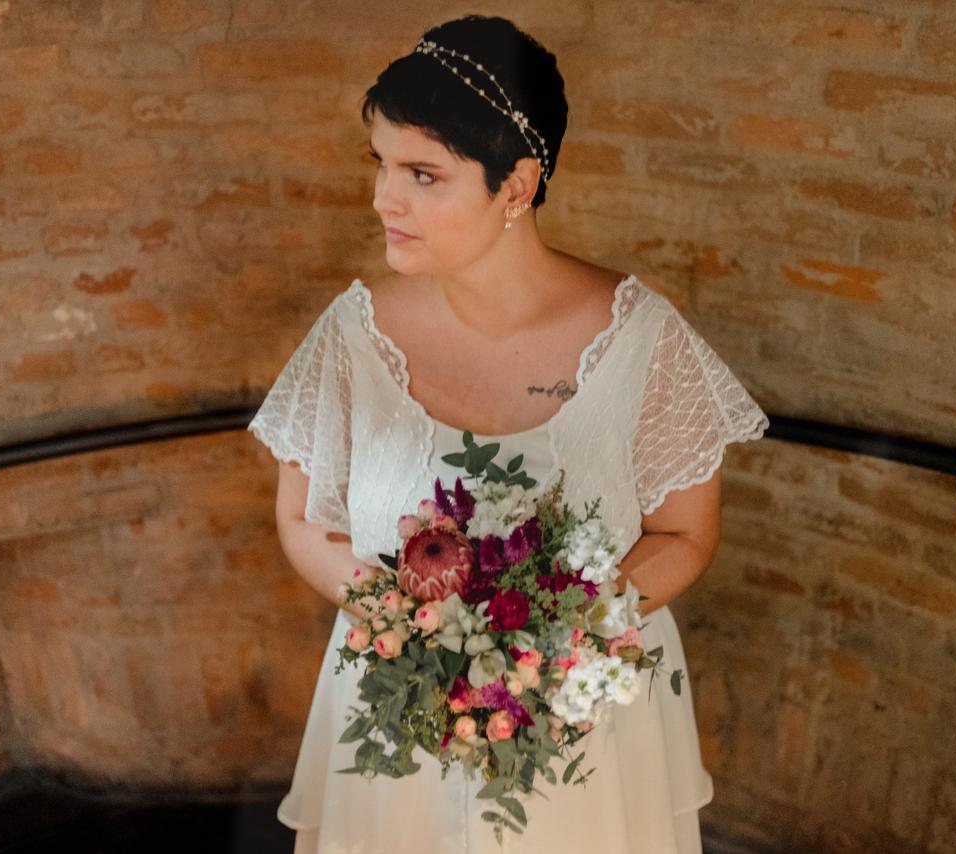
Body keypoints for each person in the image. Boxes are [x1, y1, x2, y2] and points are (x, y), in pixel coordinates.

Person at [247, 15, 769, 853]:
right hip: (395, 715)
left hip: (579, 726)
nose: (385, 199)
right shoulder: (352, 332)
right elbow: (304, 520)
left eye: (423, 173)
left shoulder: (642, 342)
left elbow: (684, 532)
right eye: (381, 165)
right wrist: (400, 625)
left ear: (517, 185)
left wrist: (553, 646)